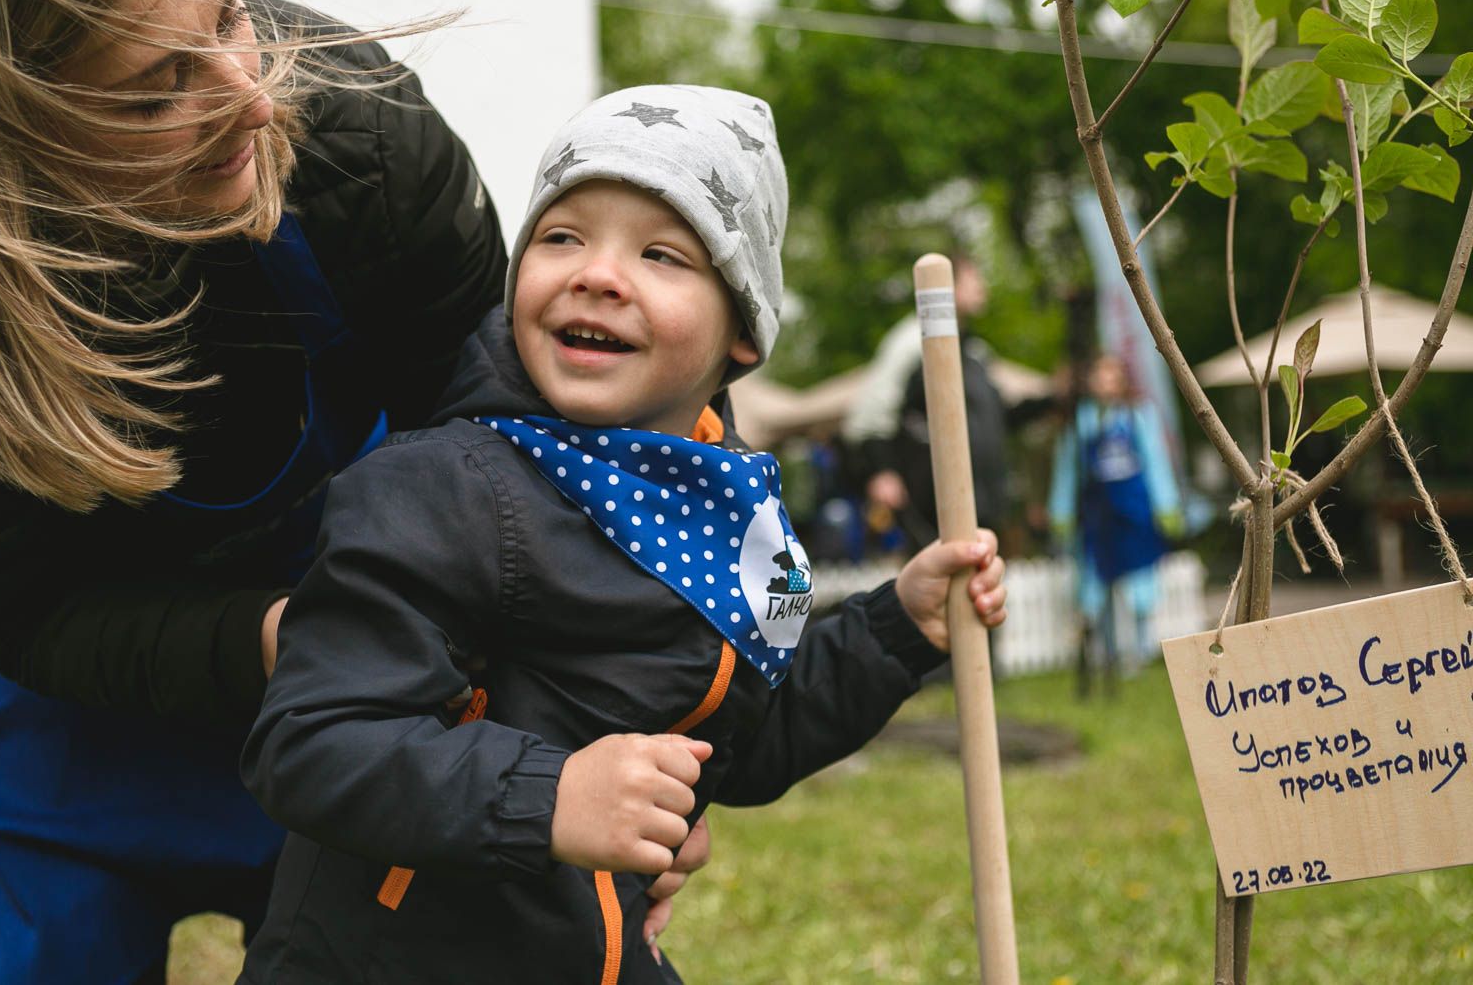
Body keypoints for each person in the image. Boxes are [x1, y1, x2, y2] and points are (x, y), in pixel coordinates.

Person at [0, 0, 705, 980]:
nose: (251, 94)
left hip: (370, 684)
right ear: (5, 141)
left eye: (229, 12)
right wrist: (281, 636)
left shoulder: (360, 135)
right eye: (154, 88)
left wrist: (596, 747)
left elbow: (521, 478)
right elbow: (26, 603)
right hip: (62, 715)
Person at [237, 85, 1008, 984]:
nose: (597, 273)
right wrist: (551, 793)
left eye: (662, 253)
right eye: (561, 237)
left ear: (744, 334)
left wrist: (893, 628)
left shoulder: (753, 523)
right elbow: (312, 739)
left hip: (585, 949)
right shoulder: (438, 486)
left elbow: (741, 740)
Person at [843, 255, 1009, 549]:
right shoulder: (911, 340)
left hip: (981, 500)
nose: (983, 289)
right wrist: (881, 470)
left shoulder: (975, 351)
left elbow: (1000, 415)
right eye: (975, 280)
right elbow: (871, 412)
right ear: (950, 284)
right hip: (928, 502)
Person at [1048, 354, 1183, 682]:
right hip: (1096, 519)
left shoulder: (1139, 416)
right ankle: (1108, 652)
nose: (1105, 381)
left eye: (1111, 374)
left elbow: (1155, 461)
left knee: (1140, 586)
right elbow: (1068, 469)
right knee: (1098, 585)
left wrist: (1167, 504)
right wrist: (1061, 511)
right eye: (1099, 374)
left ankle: (1138, 652)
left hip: (1135, 514)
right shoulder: (1081, 421)